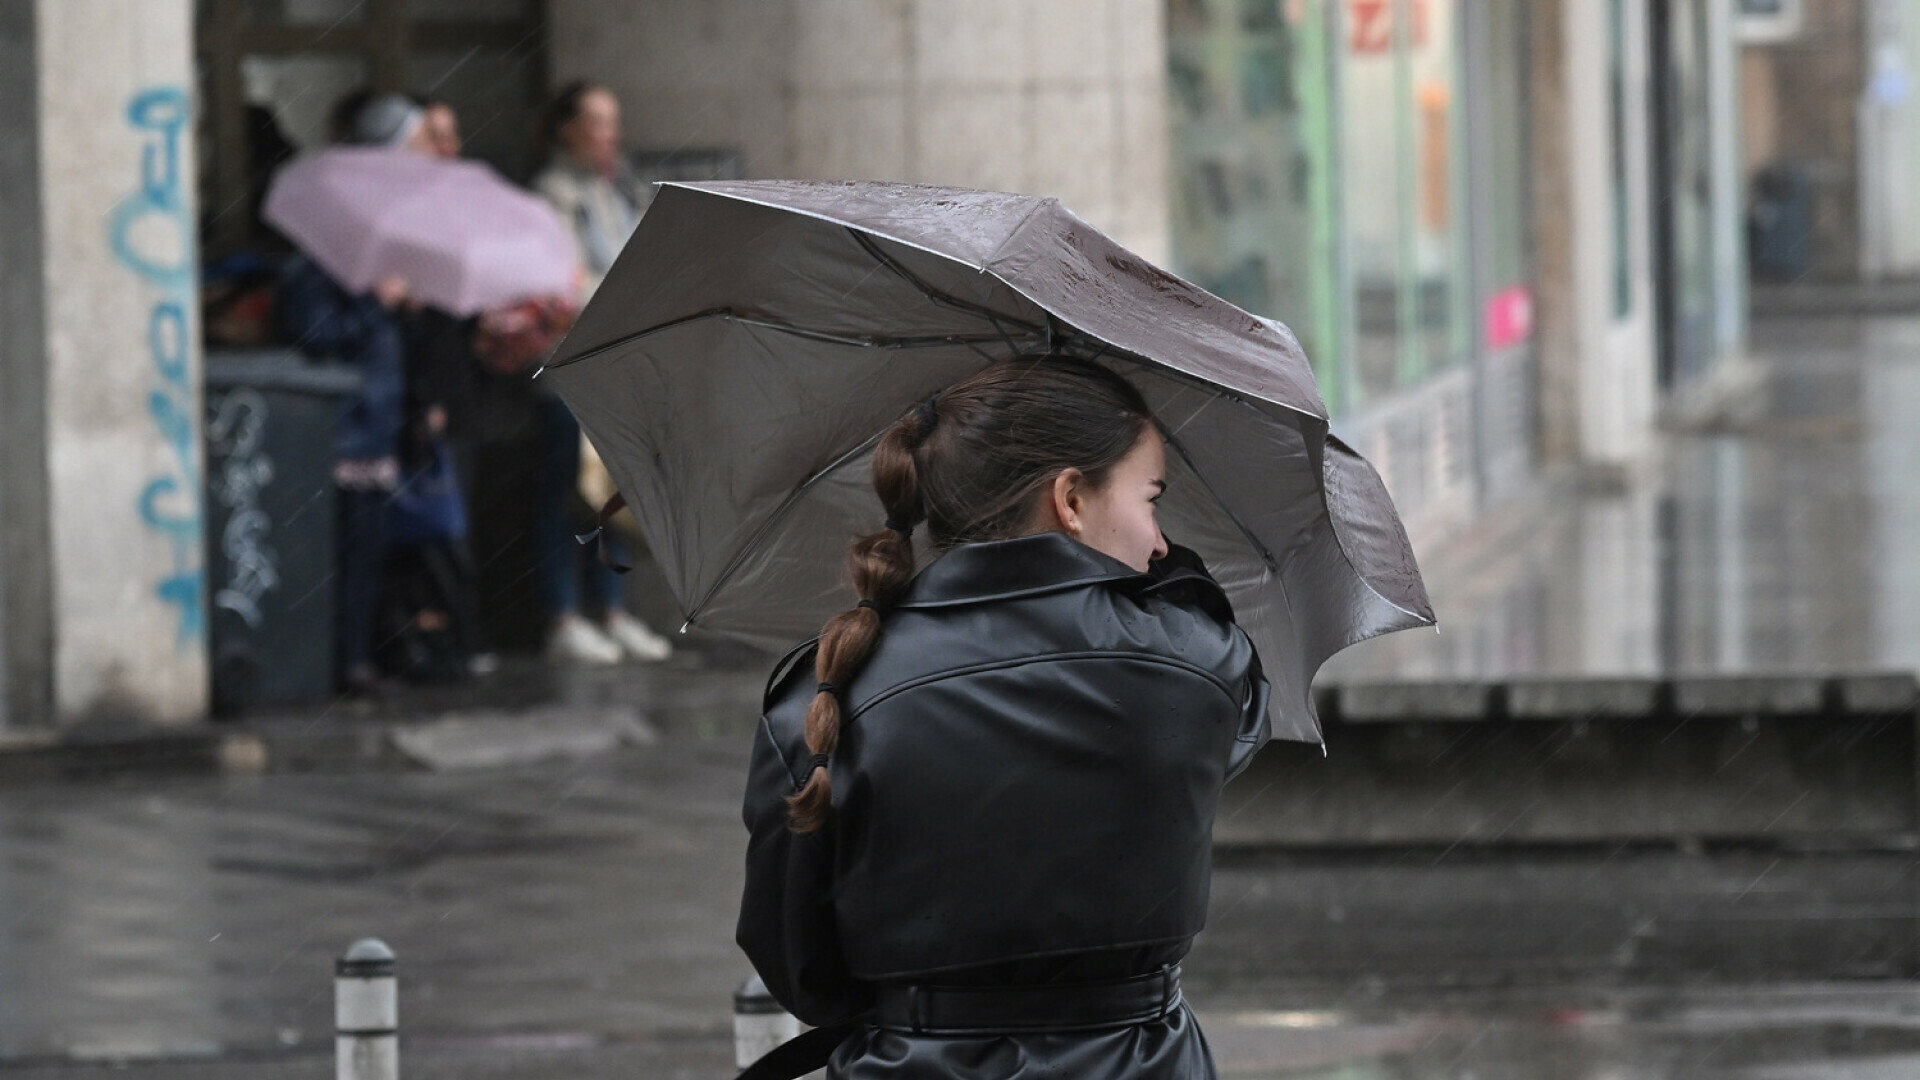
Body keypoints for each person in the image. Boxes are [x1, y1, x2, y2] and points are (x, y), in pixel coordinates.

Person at [737, 357, 1273, 1080]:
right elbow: (1243, 716)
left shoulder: (826, 692)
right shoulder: (1195, 661)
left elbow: (798, 968)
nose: (1157, 541)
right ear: (1070, 500)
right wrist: (1181, 581)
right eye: (1151, 501)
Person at [528, 80, 671, 665]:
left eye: (614, 122)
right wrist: (626, 295)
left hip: (619, 366)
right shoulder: (552, 195)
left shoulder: (621, 189)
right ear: (569, 129)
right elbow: (563, 283)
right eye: (597, 122)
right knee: (563, 492)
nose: (610, 135)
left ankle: (613, 609)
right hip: (572, 365)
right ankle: (562, 615)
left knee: (615, 490)